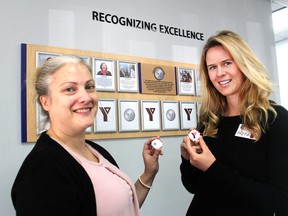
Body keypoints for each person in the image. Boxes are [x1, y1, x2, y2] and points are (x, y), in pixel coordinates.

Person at [11, 55, 162, 216]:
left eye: (89, 87)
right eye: (70, 89)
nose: (85, 97)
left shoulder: (95, 150)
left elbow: (123, 207)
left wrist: (149, 173)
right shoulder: (41, 170)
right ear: (45, 102)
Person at [180, 30, 288, 216]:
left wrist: (213, 168)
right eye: (212, 67)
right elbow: (192, 186)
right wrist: (188, 159)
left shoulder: (276, 119)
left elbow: (280, 202)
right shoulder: (208, 120)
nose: (220, 73)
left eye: (227, 63)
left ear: (244, 64)